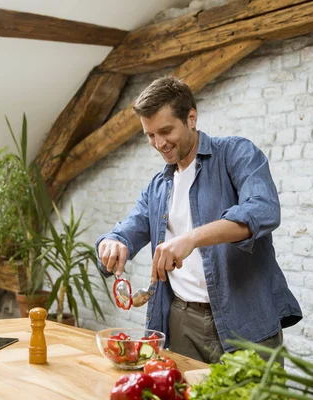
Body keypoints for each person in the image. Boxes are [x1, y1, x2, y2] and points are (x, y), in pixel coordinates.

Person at [95, 76, 302, 364]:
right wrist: (112, 242)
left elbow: (263, 209)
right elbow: (129, 228)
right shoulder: (158, 186)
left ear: (191, 118)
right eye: (150, 135)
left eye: (166, 131)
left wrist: (191, 239)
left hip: (245, 319)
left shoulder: (235, 154)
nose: (159, 143)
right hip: (182, 322)